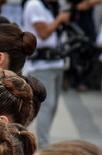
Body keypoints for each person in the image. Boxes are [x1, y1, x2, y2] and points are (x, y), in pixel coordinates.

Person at [23, 0, 70, 147]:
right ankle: (42, 144)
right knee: (46, 106)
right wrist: (59, 19)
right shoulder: (34, 4)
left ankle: (39, 140)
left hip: (55, 62)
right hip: (41, 65)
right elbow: (43, 34)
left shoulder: (49, 6)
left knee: (53, 105)